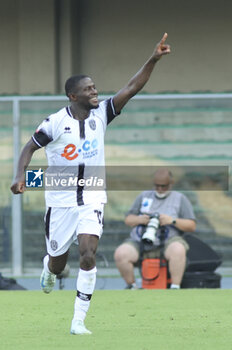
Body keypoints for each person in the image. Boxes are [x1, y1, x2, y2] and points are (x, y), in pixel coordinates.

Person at [10, 33, 171, 335]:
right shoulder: (54, 123)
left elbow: (131, 88)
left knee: (88, 253)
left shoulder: (102, 114)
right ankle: (50, 267)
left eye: (95, 87)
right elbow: (28, 148)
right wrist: (20, 176)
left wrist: (153, 58)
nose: (95, 92)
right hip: (60, 202)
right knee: (58, 263)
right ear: (73, 96)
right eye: (88, 89)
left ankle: (78, 320)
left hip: (92, 197)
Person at [114, 168, 196, 290]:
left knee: (178, 249)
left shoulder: (180, 198)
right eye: (157, 186)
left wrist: (172, 220)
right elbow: (128, 219)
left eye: (163, 186)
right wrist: (140, 219)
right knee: (121, 253)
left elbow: (191, 225)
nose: (160, 189)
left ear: (171, 183)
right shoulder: (144, 196)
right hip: (141, 240)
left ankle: (175, 287)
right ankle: (132, 287)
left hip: (169, 240)